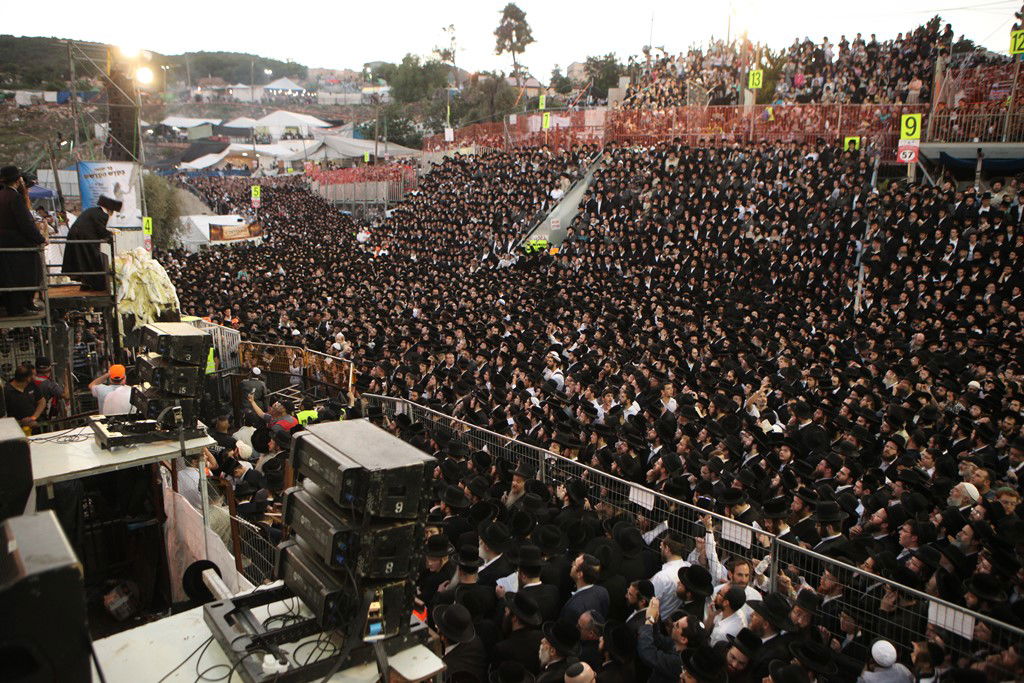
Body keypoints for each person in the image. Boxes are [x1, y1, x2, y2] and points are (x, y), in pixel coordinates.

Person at [0, 165, 45, 315]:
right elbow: (25, 223)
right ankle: (24, 305)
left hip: (5, 244)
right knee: (29, 272)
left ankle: (24, 304)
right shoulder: (15, 198)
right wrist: (40, 238)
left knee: (9, 277)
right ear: (18, 180)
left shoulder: (2, 195)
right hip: (18, 243)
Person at [63, 194, 120, 291]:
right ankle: (98, 287)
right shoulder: (102, 215)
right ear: (109, 209)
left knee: (82, 260)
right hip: (83, 238)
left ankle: (86, 283)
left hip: (78, 236)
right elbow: (100, 231)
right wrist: (110, 235)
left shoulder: (93, 211)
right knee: (92, 260)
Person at [3, 364, 45, 433]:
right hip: (15, 431)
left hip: (34, 428)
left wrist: (33, 417)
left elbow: (42, 401)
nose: (35, 377)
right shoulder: (6, 392)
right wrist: (21, 423)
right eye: (33, 375)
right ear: (28, 378)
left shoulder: (31, 385)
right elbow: (3, 416)